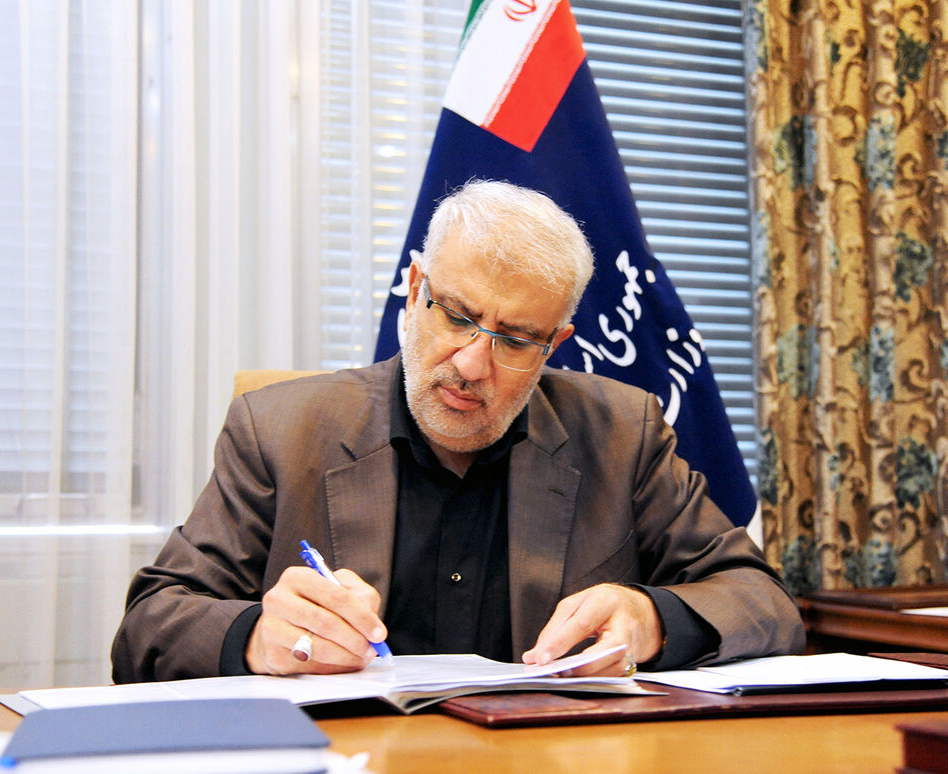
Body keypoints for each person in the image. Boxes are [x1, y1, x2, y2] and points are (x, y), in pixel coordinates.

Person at [111, 180, 804, 683]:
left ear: (554, 344)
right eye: (457, 316)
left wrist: (651, 619)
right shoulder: (280, 430)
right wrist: (256, 636)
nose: (473, 364)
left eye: (516, 338)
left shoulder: (623, 434)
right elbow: (148, 627)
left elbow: (764, 601)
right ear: (415, 289)